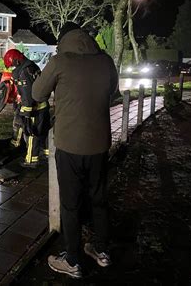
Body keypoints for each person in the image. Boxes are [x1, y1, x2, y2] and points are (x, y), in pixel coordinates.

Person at [32, 22, 118, 279]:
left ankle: (72, 259)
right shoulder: (106, 61)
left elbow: (37, 93)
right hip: (99, 144)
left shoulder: (60, 61)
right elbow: (113, 92)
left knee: (70, 204)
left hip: (70, 145)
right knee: (99, 199)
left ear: (63, 40)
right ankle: (101, 251)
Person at [3, 48, 50, 168]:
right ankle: (47, 154)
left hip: (34, 109)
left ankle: (31, 160)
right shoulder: (32, 66)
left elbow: (28, 95)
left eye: (12, 66)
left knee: (31, 133)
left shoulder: (23, 73)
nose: (13, 70)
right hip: (43, 106)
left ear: (16, 62)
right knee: (43, 132)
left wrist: (26, 113)